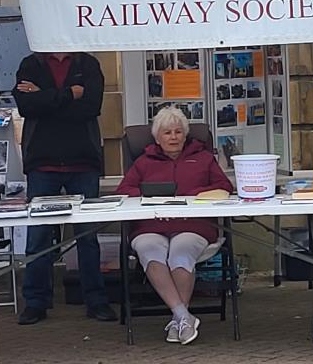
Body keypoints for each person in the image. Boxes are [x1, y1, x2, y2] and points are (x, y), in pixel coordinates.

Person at [13, 50, 117, 325]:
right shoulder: (30, 63)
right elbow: (26, 106)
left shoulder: (88, 64)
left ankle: (95, 300)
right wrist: (69, 94)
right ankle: (35, 302)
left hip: (83, 161)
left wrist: (44, 96)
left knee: (87, 237)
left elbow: (91, 107)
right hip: (42, 164)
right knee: (38, 238)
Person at [114, 107, 234, 345]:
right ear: (157, 137)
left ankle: (178, 319)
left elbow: (224, 187)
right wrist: (151, 197)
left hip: (193, 225)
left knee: (180, 251)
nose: (173, 137)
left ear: (185, 135)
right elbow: (123, 191)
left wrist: (188, 195)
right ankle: (182, 316)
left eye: (178, 132)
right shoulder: (144, 162)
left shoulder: (203, 158)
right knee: (149, 250)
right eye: (167, 132)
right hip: (151, 225)